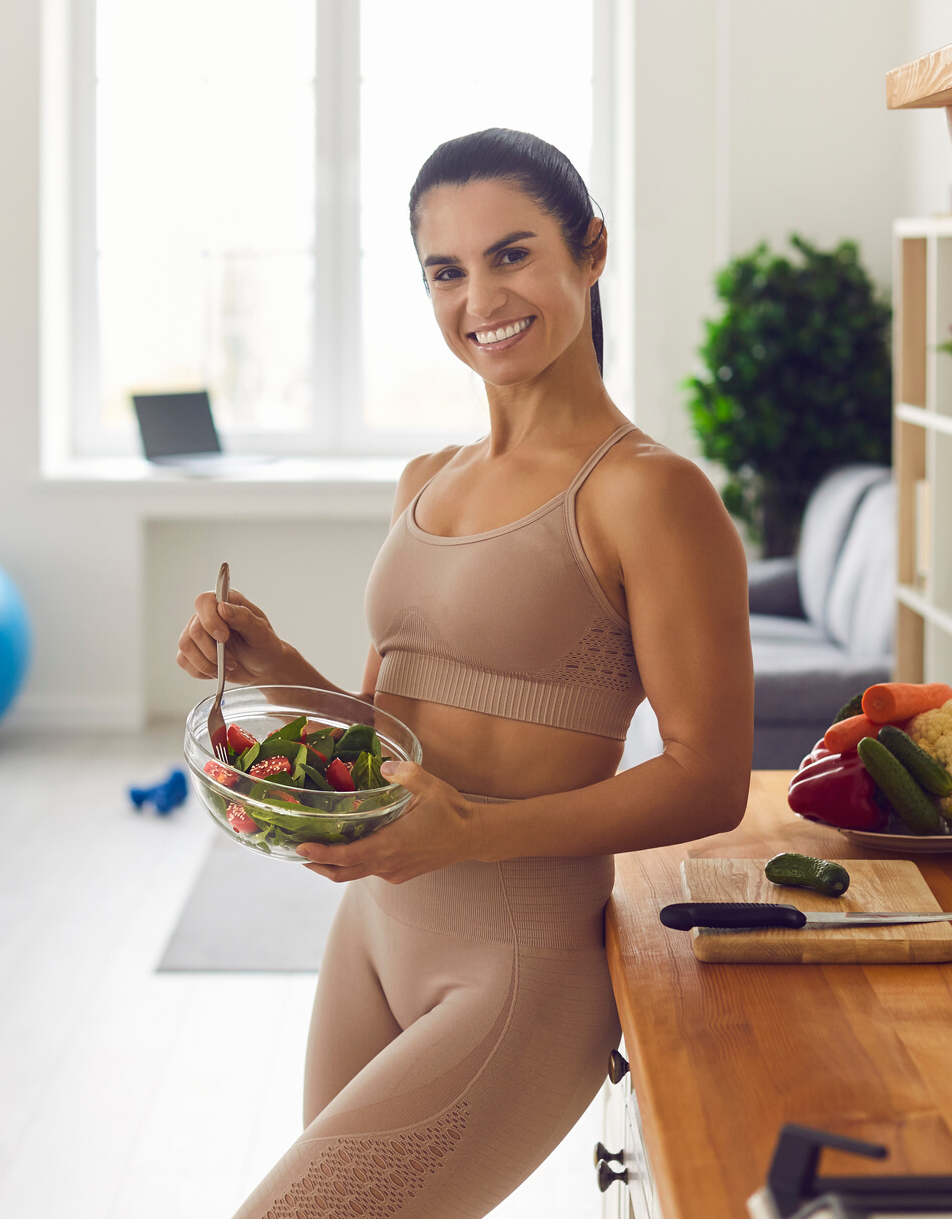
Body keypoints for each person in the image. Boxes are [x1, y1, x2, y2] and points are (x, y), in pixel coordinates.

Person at [177, 128, 752, 1218]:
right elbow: (391, 737)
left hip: (517, 968)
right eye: (445, 271)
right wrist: (274, 669)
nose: (478, 295)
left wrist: (472, 834)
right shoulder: (424, 481)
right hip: (374, 936)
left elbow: (707, 778)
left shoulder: (647, 494)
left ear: (589, 250)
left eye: (511, 254)